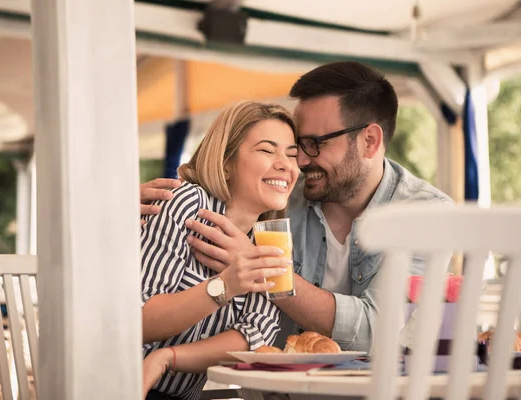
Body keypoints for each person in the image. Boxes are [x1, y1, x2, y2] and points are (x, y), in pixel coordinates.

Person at [140, 61, 453, 354]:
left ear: (369, 141)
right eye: (298, 146)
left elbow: (380, 330)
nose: (300, 161)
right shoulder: (278, 199)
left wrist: (265, 270)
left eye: (314, 144)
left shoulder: (428, 216)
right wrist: (114, 210)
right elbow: (214, 188)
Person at [141, 101, 300, 400]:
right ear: (226, 163)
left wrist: (167, 358)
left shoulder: (271, 242)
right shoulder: (185, 203)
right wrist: (225, 286)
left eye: (292, 155)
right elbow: (138, 319)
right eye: (267, 150)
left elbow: (254, 335)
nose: (285, 165)